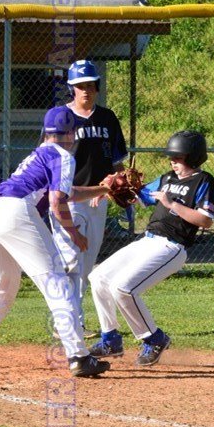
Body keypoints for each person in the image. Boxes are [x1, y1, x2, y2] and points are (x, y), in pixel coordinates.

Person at [0, 105, 111, 377]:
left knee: (4, 286)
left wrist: (103, 188)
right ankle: (79, 356)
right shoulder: (64, 155)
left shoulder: (40, 153)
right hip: (15, 212)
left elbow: (66, 192)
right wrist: (74, 233)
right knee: (58, 282)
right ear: (72, 133)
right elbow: (57, 201)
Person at [88, 130, 214, 365]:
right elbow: (138, 194)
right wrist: (109, 191)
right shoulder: (167, 178)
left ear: (193, 158)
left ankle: (154, 339)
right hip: (148, 241)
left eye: (178, 158)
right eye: (171, 158)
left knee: (123, 288)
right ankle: (111, 339)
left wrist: (171, 204)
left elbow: (205, 220)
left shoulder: (203, 181)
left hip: (172, 246)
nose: (173, 162)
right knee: (98, 277)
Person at [50, 59, 128, 326]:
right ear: (71, 88)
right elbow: (49, 157)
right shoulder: (61, 117)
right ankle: (68, 321)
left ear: (97, 86)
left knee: (86, 265)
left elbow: (117, 162)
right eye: (80, 85)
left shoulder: (107, 118)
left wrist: (118, 182)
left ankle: (73, 318)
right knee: (70, 260)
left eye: (90, 84)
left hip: (98, 199)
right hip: (68, 198)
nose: (86, 90)